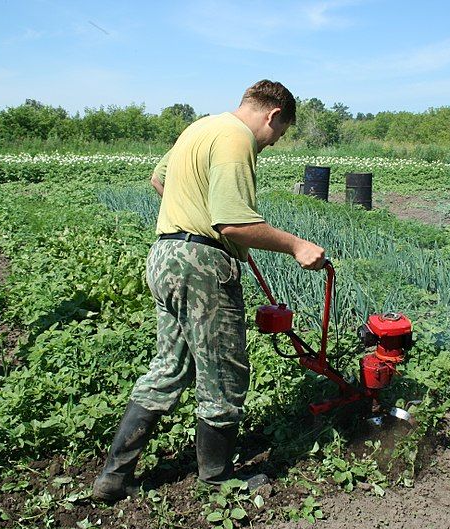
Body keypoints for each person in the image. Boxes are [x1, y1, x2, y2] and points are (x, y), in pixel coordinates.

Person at [92, 80, 325, 501]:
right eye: (281, 133)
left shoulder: (200, 128)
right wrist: (296, 245)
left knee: (170, 367)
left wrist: (198, 221)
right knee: (224, 375)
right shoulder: (237, 138)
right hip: (201, 267)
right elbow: (233, 223)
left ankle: (113, 475)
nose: (273, 143)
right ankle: (218, 477)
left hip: (165, 255)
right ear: (273, 115)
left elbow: (158, 179)